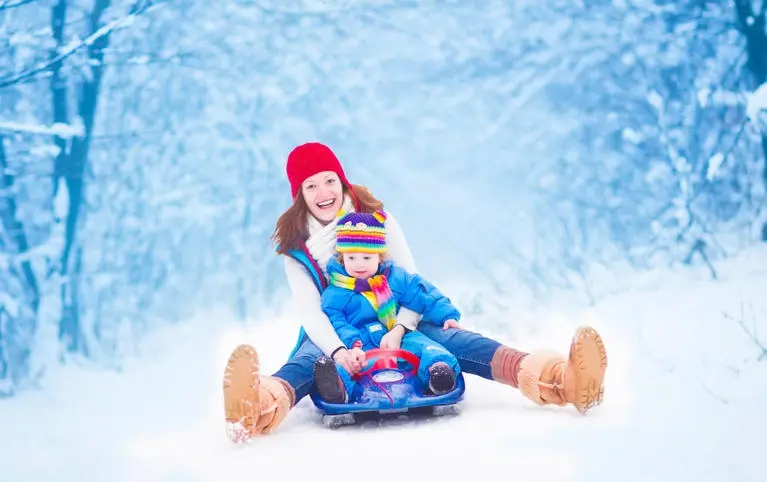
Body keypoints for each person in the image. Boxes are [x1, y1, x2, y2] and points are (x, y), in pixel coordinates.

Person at [222, 142, 607, 443]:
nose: (324, 191)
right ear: (299, 194)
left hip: (396, 316)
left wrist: (402, 329)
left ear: (341, 180)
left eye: (329, 180)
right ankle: (254, 407)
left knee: (457, 341)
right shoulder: (297, 251)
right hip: (335, 329)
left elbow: (411, 279)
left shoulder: (377, 221)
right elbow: (312, 314)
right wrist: (340, 350)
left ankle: (560, 380)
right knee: (309, 361)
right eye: (311, 185)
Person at [313, 210, 462, 403]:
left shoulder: (396, 278)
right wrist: (353, 345)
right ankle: (337, 387)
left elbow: (423, 293)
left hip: (397, 335)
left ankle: (438, 374)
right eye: (351, 258)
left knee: (426, 347)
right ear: (342, 258)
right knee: (347, 365)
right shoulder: (335, 293)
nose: (359, 264)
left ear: (379, 257)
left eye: (366, 258)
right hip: (362, 342)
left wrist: (447, 315)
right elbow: (337, 322)